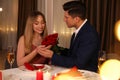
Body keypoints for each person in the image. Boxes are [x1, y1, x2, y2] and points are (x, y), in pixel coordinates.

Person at [37, 1, 100, 72]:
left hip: (86, 75)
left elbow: (78, 63)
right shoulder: (80, 31)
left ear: (77, 19)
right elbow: (73, 54)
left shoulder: (89, 34)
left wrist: (53, 56)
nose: (64, 20)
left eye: (66, 17)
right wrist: (55, 49)